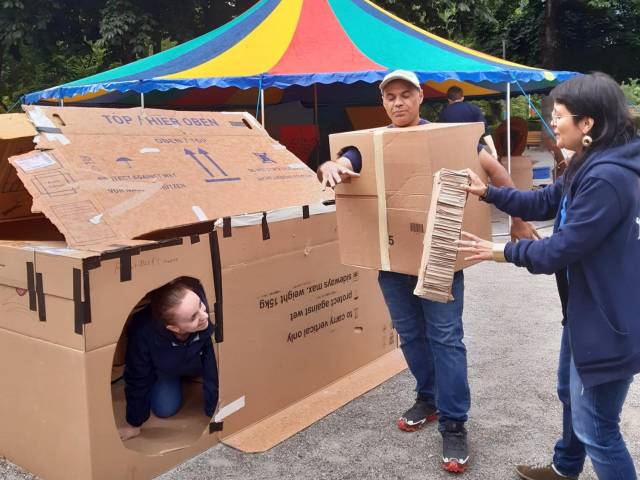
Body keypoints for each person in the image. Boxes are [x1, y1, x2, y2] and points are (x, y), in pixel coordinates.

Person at [318, 69, 539, 473]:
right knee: (410, 333)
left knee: (446, 339)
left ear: (421, 97)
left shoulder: (445, 138)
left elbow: (493, 170)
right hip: (391, 261)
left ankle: (455, 423)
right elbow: (345, 159)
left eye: (406, 95)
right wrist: (331, 166)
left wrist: (519, 218)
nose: (398, 102)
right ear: (383, 102)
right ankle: (428, 397)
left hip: (439, 257)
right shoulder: (372, 143)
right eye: (391, 97)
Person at [457, 72, 639, 480]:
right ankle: (565, 468)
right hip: (585, 310)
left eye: (558, 116)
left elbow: (561, 249)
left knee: (599, 429)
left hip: (610, 320)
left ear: (587, 123)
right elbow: (543, 200)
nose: (551, 122)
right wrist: (487, 192)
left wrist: (501, 250)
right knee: (569, 396)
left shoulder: (609, 177)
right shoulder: (589, 163)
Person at [117, 278, 219, 441]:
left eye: (200, 304)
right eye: (193, 317)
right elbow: (138, 376)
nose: (204, 315)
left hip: (199, 360)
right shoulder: (143, 332)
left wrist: (214, 412)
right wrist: (134, 424)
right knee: (164, 409)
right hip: (167, 368)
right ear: (174, 328)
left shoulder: (205, 309)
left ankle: (192, 376)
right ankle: (179, 380)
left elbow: (213, 367)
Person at [439, 85, 499, 160]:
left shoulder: (444, 113)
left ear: (448, 99)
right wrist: (493, 150)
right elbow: (485, 132)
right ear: (462, 98)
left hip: (454, 151)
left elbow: (441, 135)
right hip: (475, 149)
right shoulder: (474, 109)